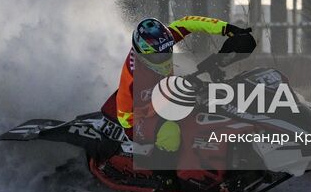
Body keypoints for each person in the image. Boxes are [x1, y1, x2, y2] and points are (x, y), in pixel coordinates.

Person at [101, 16, 251, 157]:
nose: (164, 57)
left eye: (167, 51)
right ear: (143, 55)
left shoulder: (160, 42)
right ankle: (165, 178)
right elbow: (125, 118)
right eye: (158, 56)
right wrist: (171, 96)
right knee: (171, 134)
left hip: (163, 96)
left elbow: (188, 23)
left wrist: (227, 29)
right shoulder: (133, 77)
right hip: (135, 120)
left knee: (203, 111)